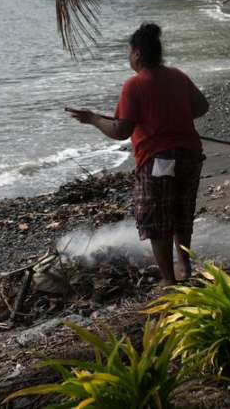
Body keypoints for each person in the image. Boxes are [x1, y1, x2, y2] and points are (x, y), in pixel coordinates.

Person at [67, 22, 209, 286]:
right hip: (191, 154)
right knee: (181, 211)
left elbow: (121, 130)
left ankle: (168, 280)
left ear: (137, 54)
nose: (128, 57)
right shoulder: (177, 75)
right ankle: (184, 268)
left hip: (159, 159)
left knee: (158, 218)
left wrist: (93, 119)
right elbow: (202, 106)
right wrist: (170, 115)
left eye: (128, 51)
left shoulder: (135, 85)